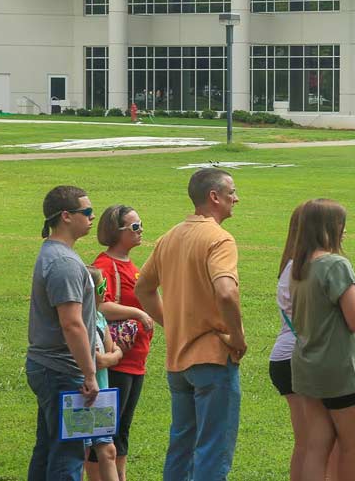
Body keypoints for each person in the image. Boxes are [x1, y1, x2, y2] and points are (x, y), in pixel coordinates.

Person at [135, 168, 246, 481]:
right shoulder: (219, 239)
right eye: (231, 193)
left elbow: (143, 287)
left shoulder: (170, 236)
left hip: (178, 362)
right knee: (212, 451)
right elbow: (226, 291)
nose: (235, 199)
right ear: (214, 197)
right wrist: (236, 336)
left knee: (181, 448)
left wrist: (173, 323)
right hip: (212, 357)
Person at [289, 199, 355, 481]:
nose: (344, 232)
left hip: (306, 366)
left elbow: (318, 308)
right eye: (341, 226)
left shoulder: (297, 267)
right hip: (338, 369)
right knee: (352, 445)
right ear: (329, 228)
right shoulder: (337, 264)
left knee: (317, 445)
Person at [26, 185, 101, 481]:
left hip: (48, 368)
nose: (93, 216)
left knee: (47, 448)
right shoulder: (64, 263)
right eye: (87, 212)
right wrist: (90, 373)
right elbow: (72, 324)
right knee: (68, 453)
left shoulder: (54, 253)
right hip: (61, 371)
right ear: (67, 216)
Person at [270, 204, 340, 480]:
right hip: (302, 357)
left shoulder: (291, 266)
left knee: (307, 442)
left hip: (286, 356)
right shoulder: (309, 268)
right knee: (322, 442)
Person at [90, 205, 154, 481]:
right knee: (106, 430)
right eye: (135, 227)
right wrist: (137, 313)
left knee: (122, 428)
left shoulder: (130, 265)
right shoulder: (105, 265)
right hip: (118, 362)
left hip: (136, 360)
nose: (141, 231)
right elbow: (100, 306)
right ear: (117, 233)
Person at [84, 267, 123, 481]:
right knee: (81, 453)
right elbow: (101, 359)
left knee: (108, 451)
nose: (105, 292)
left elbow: (109, 352)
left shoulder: (99, 317)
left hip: (102, 396)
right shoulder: (81, 320)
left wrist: (111, 356)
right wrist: (112, 357)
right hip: (83, 395)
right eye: (102, 287)